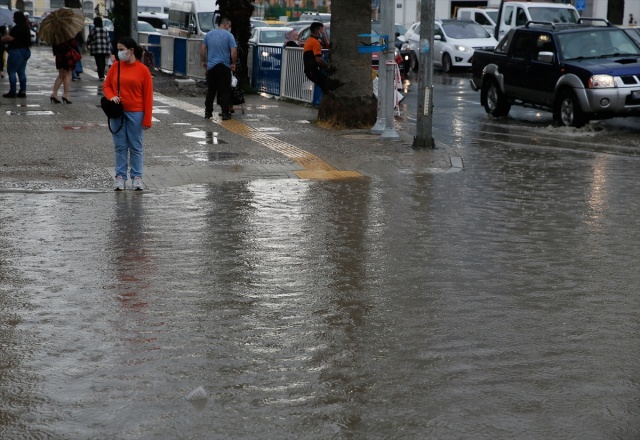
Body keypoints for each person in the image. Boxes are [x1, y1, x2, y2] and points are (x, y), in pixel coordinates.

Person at [103, 37, 153, 191]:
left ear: (131, 51)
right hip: (118, 112)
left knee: (136, 147)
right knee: (120, 146)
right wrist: (111, 96)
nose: (119, 53)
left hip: (136, 113)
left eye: (121, 49)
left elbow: (148, 96)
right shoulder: (115, 67)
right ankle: (120, 177)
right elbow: (106, 86)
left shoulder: (143, 70)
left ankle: (137, 177)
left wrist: (147, 119)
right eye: (118, 49)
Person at [200, 16, 237, 120]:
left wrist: (204, 61)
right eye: (228, 26)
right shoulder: (229, 36)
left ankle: (208, 112)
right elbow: (233, 51)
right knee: (224, 90)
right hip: (224, 67)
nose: (229, 28)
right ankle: (225, 113)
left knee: (211, 90)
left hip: (211, 67)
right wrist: (233, 63)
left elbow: (203, 49)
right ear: (225, 25)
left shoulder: (209, 34)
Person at [0, 11, 32, 98]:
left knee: (12, 72)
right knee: (21, 72)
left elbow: (10, 38)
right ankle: (22, 91)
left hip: (16, 52)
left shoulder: (17, 28)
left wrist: (3, 38)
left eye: (14, 17)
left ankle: (12, 91)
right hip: (26, 51)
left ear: (17, 18)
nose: (13, 19)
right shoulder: (26, 27)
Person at [50, 37, 80, 104]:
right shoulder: (68, 32)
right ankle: (65, 95)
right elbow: (74, 43)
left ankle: (54, 94)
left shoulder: (56, 33)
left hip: (59, 55)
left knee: (61, 75)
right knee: (68, 75)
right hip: (67, 55)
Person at [303, 21, 328, 93]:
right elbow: (318, 59)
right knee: (328, 87)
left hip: (309, 71)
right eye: (321, 30)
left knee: (325, 88)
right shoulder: (315, 42)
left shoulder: (308, 40)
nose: (322, 32)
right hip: (313, 71)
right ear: (317, 30)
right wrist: (327, 66)